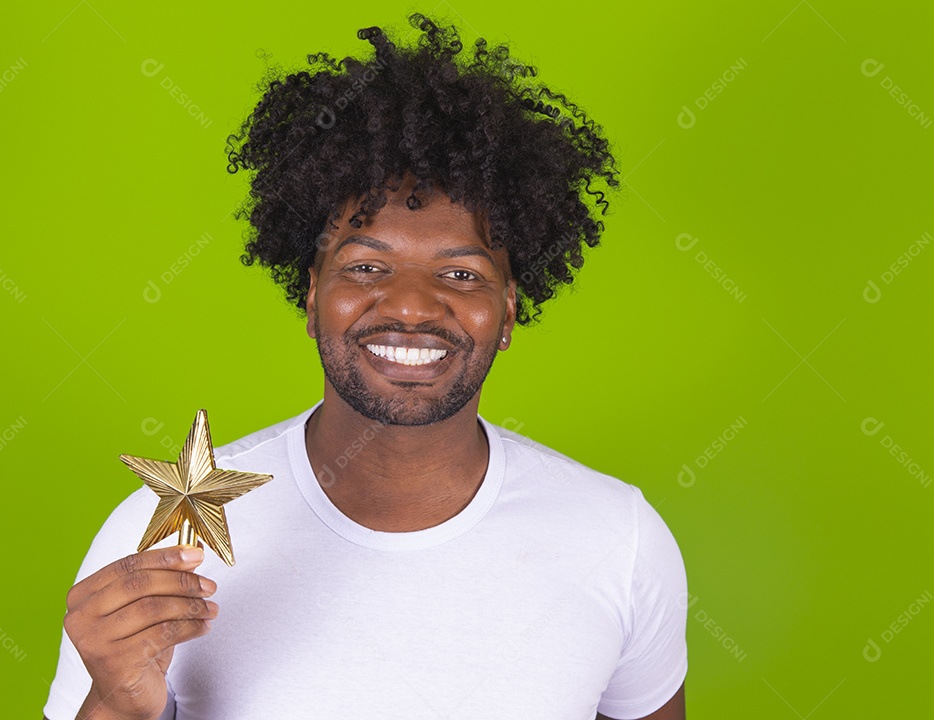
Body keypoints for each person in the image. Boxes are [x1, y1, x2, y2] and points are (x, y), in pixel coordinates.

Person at [43, 13, 687, 720]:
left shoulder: (617, 539)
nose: (411, 306)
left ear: (507, 314)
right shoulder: (162, 536)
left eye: (463, 275)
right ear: (314, 296)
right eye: (368, 266)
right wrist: (116, 701)